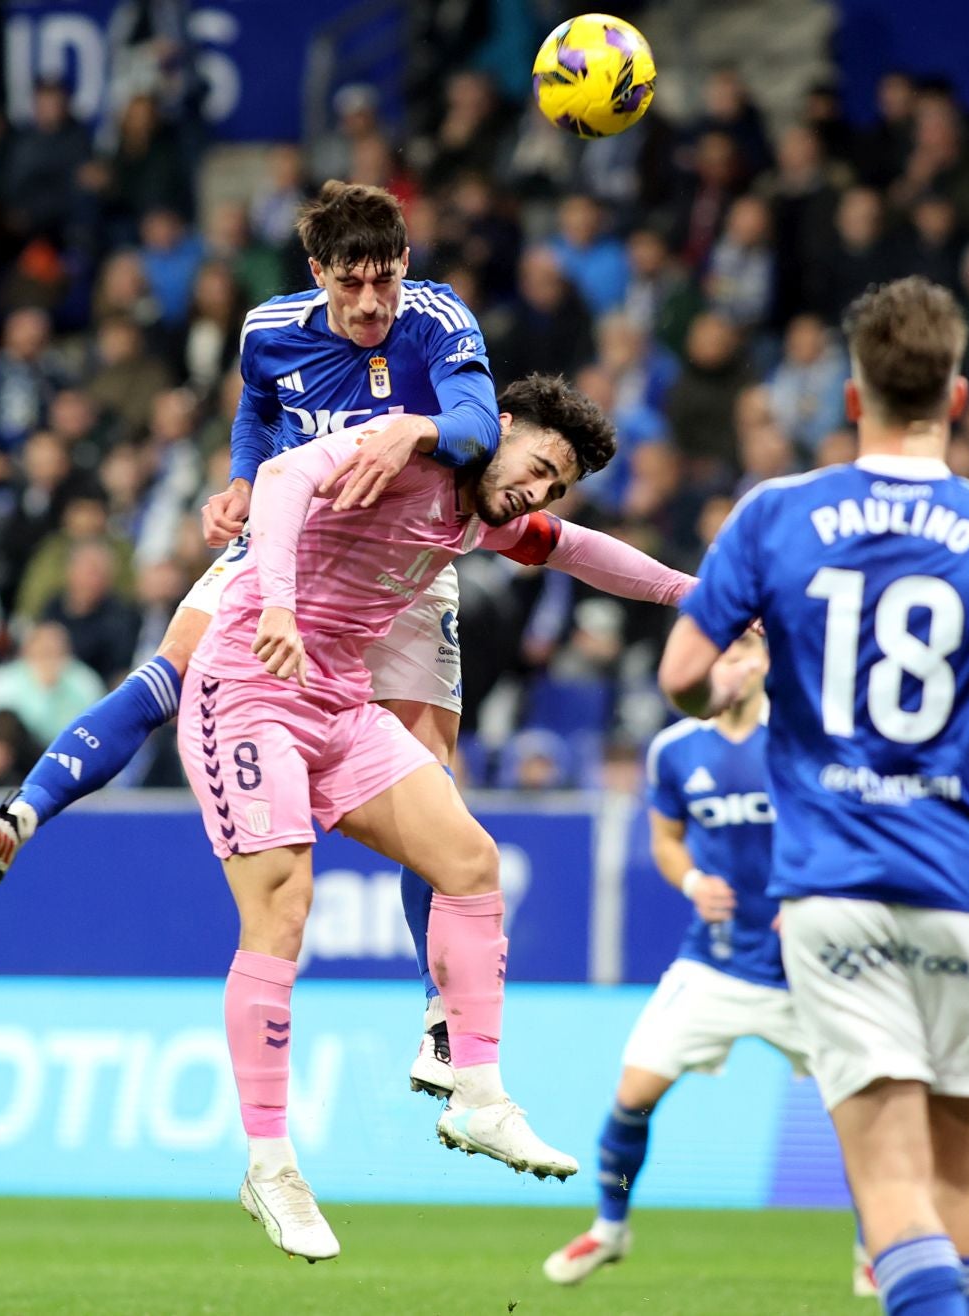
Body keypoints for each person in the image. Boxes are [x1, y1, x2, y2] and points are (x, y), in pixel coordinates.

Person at [0, 180, 504, 1097]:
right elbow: (258, 408)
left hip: (402, 566)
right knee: (172, 668)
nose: (371, 304)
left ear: (406, 264)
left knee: (432, 773)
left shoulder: (438, 320)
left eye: (385, 281)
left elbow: (479, 428)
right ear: (318, 273)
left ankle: (442, 1022)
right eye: (350, 285)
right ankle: (19, 816)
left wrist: (418, 430)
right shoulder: (269, 329)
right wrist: (245, 481)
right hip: (289, 546)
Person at [658, 276, 969, 1316]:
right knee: (961, 1175)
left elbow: (680, 675)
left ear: (850, 393)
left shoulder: (774, 513)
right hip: (965, 883)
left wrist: (736, 680)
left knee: (888, 1182)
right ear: (958, 397)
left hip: (830, 885)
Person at [176, 376, 692, 1259]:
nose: (539, 489)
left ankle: (480, 1096)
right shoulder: (404, 450)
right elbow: (287, 479)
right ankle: (270, 1165)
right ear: (502, 428)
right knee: (282, 911)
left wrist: (694, 595)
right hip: (251, 689)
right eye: (538, 465)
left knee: (469, 859)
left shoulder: (480, 512)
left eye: (555, 482)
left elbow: (579, 551)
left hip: (337, 706)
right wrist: (275, 604)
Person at [546, 632, 865, 1292]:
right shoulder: (674, 749)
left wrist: (813, 892)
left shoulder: (806, 740)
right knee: (632, 1097)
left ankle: (876, 1247)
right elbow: (666, 839)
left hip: (806, 969)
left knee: (863, 1118)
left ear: (770, 663)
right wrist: (692, 882)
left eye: (751, 651)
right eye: (726, 651)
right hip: (713, 964)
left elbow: (850, 829)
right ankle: (610, 1229)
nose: (738, 663)